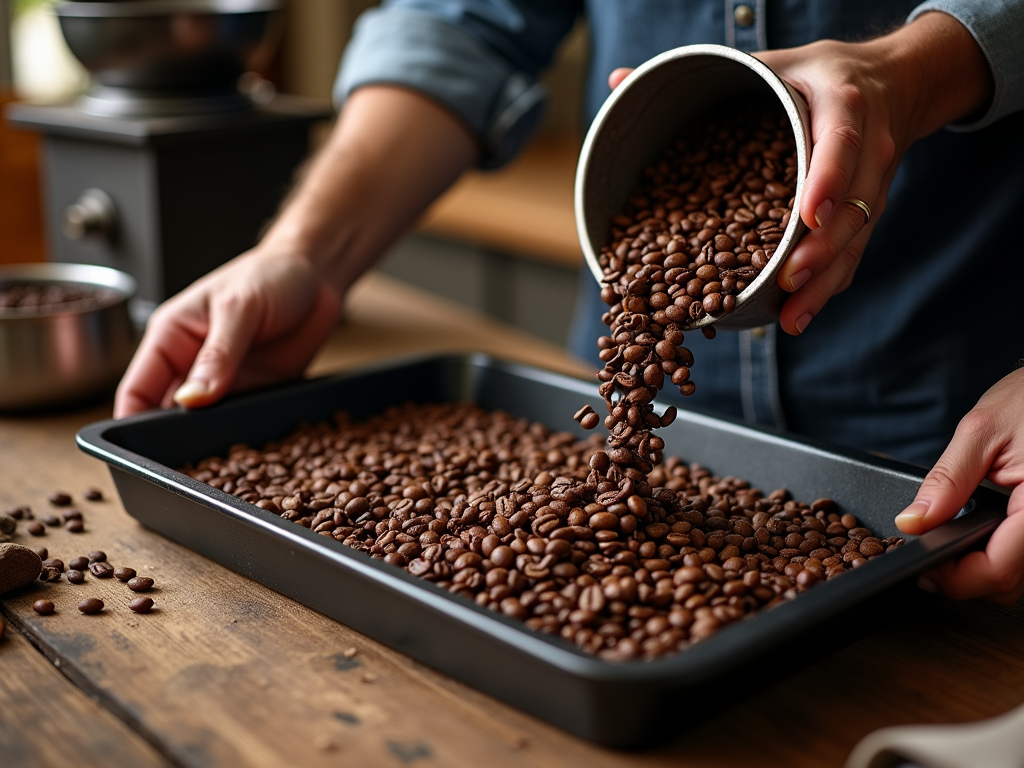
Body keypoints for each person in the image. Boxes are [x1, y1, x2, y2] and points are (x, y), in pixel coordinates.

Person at [114, 1, 1024, 605]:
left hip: (968, 437)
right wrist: (304, 251)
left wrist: (919, 66)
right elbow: (461, 21)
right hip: (589, 416)